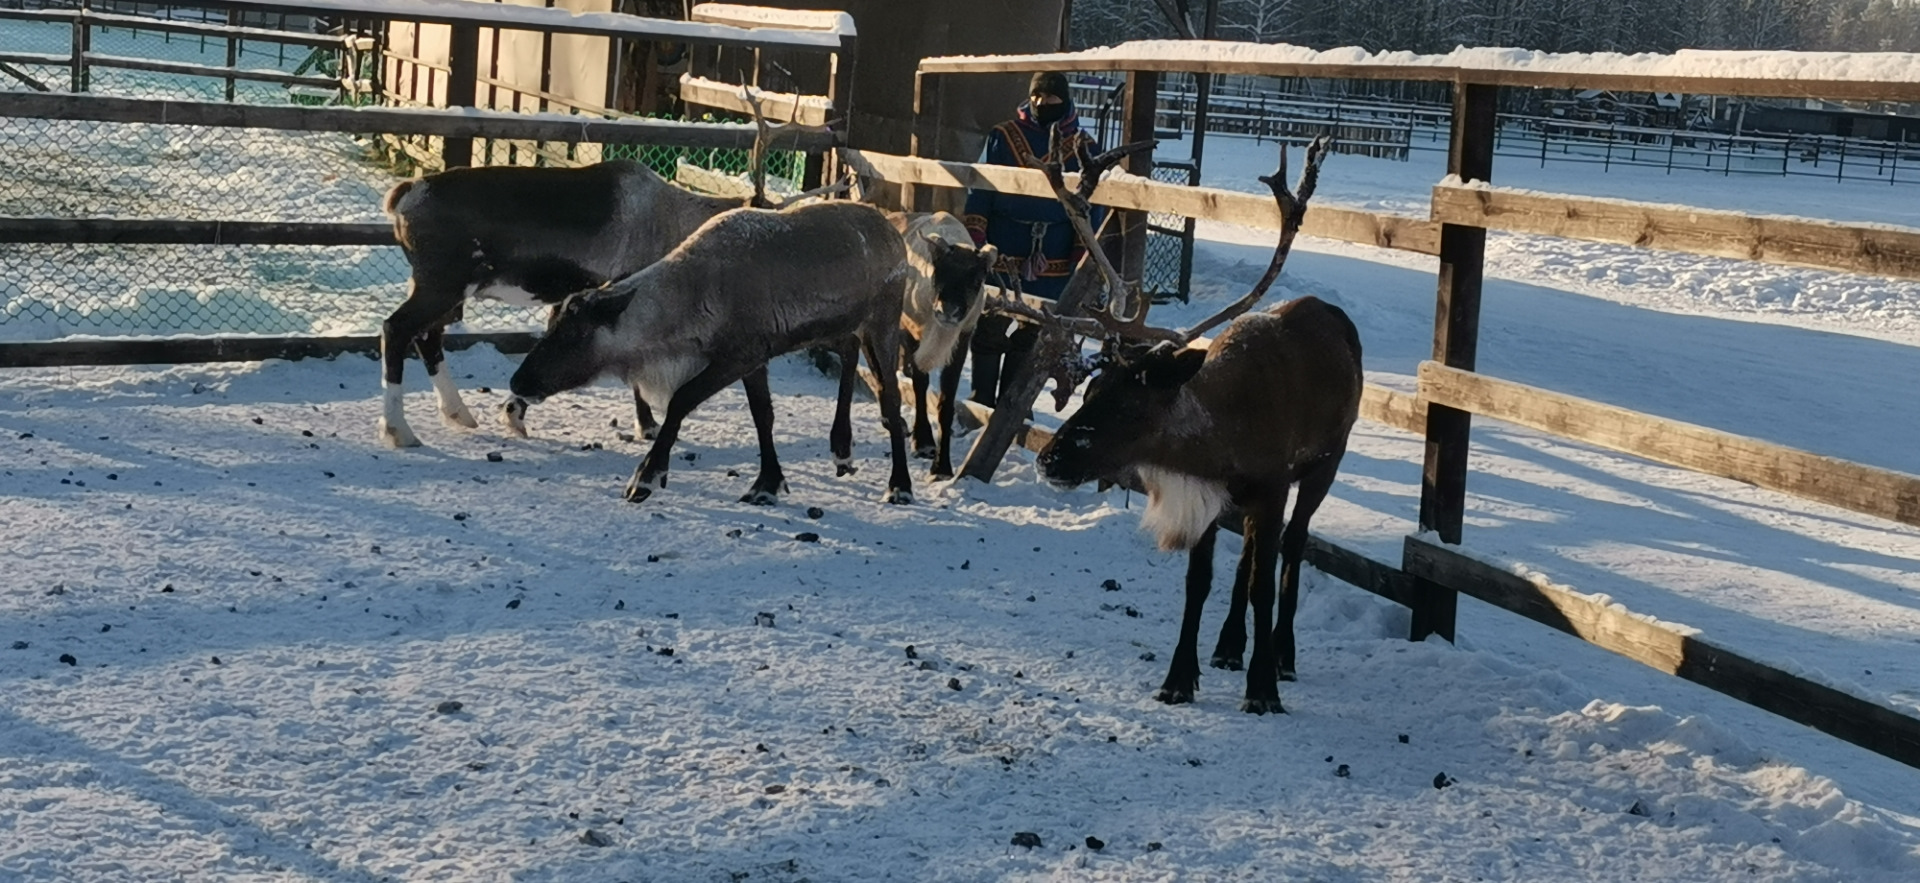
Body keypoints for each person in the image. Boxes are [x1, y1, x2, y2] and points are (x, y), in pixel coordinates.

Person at [963, 72, 1105, 409]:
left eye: (1051, 98)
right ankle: (981, 399)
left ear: (1065, 100)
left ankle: (1012, 404)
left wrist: (1081, 256)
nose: (1042, 103)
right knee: (990, 327)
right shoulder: (1004, 136)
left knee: (1033, 333)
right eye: (1037, 97)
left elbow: (1090, 206)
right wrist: (976, 237)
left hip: (1053, 256)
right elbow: (983, 187)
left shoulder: (1085, 147)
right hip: (1003, 249)